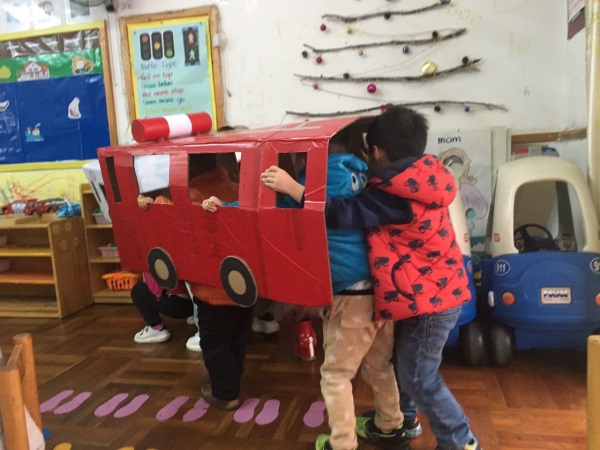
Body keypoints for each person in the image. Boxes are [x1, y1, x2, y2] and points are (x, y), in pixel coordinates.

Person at [265, 106, 480, 450]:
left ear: (376, 151)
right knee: (392, 364)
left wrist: (294, 188)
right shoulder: (425, 177)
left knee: (417, 376)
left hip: (427, 302)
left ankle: (459, 440)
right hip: (425, 294)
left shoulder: (395, 193)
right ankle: (397, 423)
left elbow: (342, 213)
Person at [259, 135, 410, 450]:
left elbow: (263, 207)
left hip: (349, 296)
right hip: (381, 290)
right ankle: (391, 426)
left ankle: (342, 443)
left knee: (336, 374)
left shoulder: (309, 185)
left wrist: (223, 205)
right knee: (379, 364)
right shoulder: (364, 178)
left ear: (303, 160)